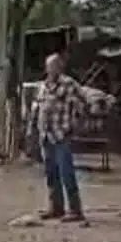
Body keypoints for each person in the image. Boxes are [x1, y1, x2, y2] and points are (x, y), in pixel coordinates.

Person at [31, 53, 87, 222]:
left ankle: (75, 209)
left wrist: (72, 125)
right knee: (50, 172)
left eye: (55, 66)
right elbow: (37, 106)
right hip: (46, 134)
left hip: (61, 134)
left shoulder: (69, 84)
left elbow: (83, 103)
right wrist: (33, 127)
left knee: (66, 171)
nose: (52, 69)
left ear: (60, 67)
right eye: (49, 66)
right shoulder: (43, 86)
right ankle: (55, 207)